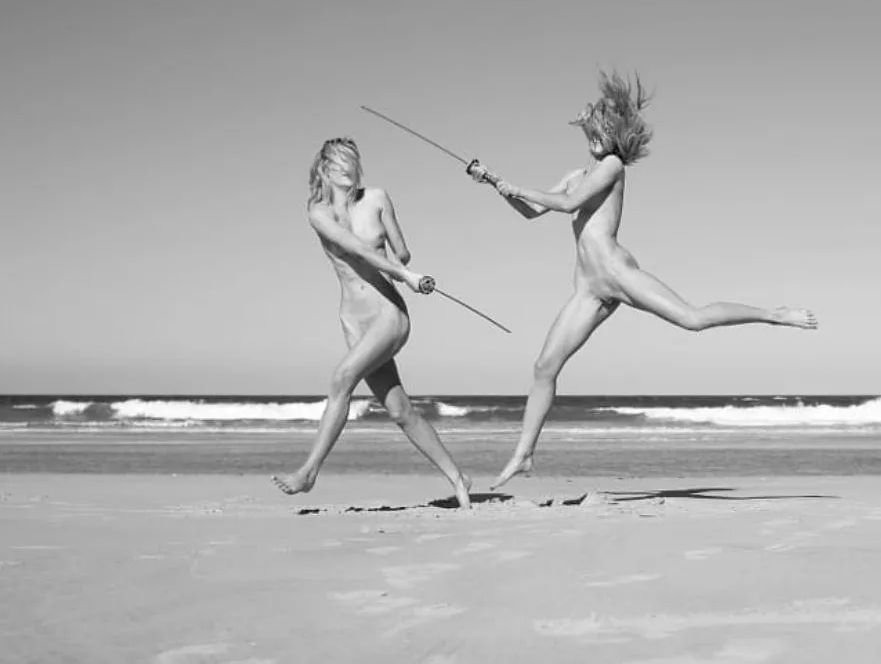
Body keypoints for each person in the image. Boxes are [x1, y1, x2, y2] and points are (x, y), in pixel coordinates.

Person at [468, 72, 818, 489]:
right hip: (588, 289)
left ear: (614, 135)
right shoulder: (575, 173)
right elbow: (533, 211)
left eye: (601, 132)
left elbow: (567, 204)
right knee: (544, 367)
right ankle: (524, 455)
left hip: (619, 274)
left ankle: (773, 314)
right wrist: (495, 184)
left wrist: (516, 185)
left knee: (692, 319)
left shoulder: (612, 167)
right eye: (591, 132)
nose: (595, 139)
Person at [274, 137, 472, 507]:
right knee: (400, 410)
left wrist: (404, 265)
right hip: (353, 320)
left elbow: (401, 250)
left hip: (388, 312)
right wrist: (405, 273)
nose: (349, 169)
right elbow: (357, 248)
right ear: (324, 169)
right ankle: (458, 478)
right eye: (340, 163)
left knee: (341, 380)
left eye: (353, 161)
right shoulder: (318, 212)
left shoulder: (377, 197)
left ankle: (308, 472)